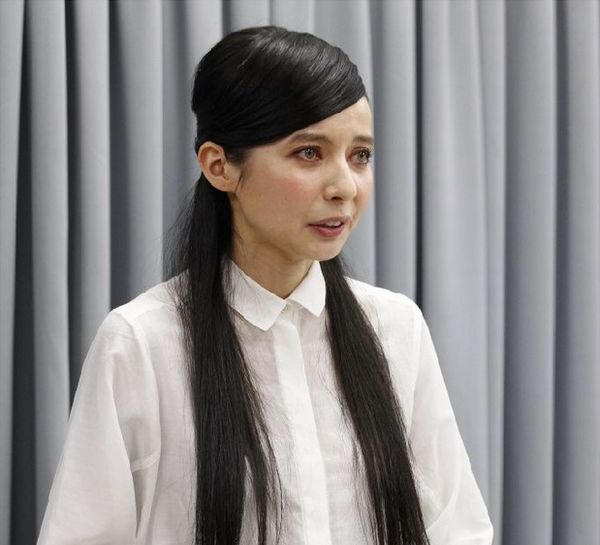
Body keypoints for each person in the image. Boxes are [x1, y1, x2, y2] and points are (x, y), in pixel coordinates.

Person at [37, 26, 493, 545]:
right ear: (219, 167)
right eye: (309, 153)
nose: (344, 186)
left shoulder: (395, 328)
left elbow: (457, 529)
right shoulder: (142, 343)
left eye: (360, 155)